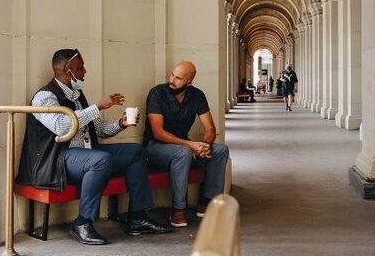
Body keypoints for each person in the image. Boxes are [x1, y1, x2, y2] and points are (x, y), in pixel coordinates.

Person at [17, 49, 172, 245]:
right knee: (100, 159)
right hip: (57, 160)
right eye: (80, 67)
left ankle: (138, 218)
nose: (85, 71)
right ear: (68, 71)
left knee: (134, 151)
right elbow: (62, 127)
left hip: (86, 156)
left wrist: (121, 123)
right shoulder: (45, 97)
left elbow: (98, 129)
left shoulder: (77, 95)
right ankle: (82, 223)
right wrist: (97, 107)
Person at [144, 61, 230, 227]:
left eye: (178, 78)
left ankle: (205, 203)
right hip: (154, 148)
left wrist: (203, 146)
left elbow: (210, 128)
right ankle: (178, 210)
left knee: (220, 150)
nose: (172, 80)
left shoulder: (197, 95)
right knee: (182, 153)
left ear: (189, 82)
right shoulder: (157, 93)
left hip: (183, 147)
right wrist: (190, 146)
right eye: (172, 75)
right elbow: (158, 132)